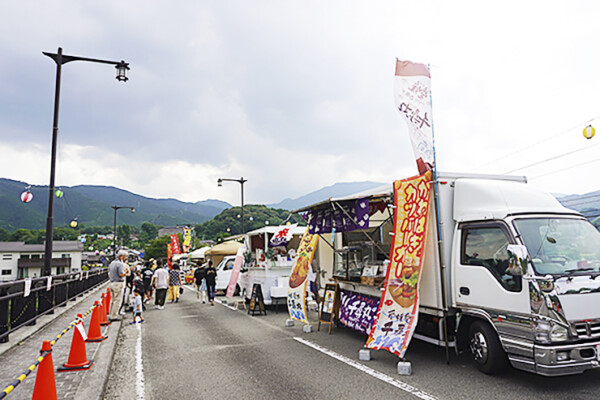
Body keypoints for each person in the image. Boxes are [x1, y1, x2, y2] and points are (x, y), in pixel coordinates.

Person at [108, 250, 130, 321]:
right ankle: (114, 316)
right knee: (117, 300)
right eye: (125, 256)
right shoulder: (120, 264)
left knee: (112, 300)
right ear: (121, 256)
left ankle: (111, 314)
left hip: (112, 283)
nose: (125, 258)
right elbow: (120, 274)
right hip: (118, 283)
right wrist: (126, 273)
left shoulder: (112, 263)